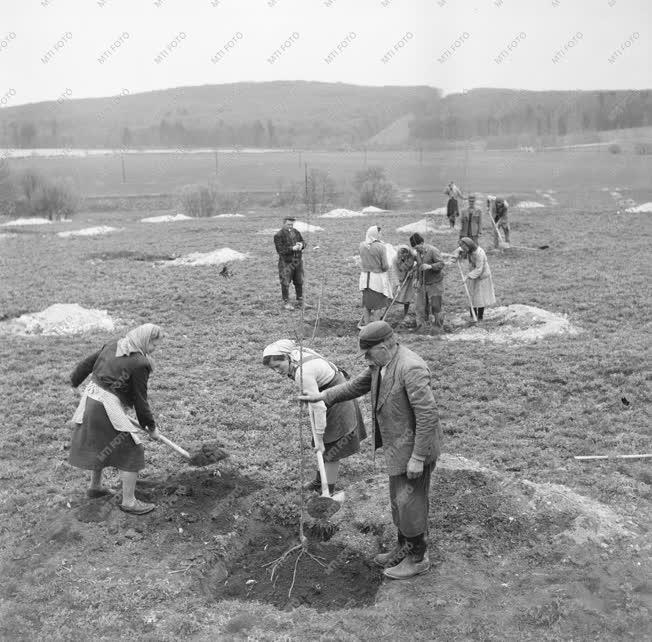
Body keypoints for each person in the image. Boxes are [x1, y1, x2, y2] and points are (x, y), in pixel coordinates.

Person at [298, 321, 442, 580]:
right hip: (398, 446)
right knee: (399, 503)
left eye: (369, 352)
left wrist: (418, 457)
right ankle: (402, 548)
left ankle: (418, 558)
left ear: (386, 345)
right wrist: (322, 397)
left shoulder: (411, 368)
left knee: (411, 504)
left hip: (414, 448)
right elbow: (356, 385)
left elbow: (427, 415)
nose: (366, 359)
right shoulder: (382, 363)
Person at [68, 323, 162, 515]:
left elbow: (87, 364)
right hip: (104, 407)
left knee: (99, 444)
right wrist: (151, 427)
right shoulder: (140, 364)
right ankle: (129, 502)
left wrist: (75, 382)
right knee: (132, 450)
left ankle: (95, 488)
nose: (154, 349)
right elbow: (140, 400)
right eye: (154, 344)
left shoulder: (114, 344)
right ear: (144, 340)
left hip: (91, 398)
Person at [262, 340, 366, 493]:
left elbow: (319, 408)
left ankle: (328, 491)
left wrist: (318, 438)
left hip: (337, 400)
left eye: (278, 366)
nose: (277, 371)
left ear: (287, 357)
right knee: (327, 448)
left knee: (331, 449)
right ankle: (320, 482)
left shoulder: (303, 373)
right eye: (272, 369)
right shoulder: (297, 353)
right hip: (331, 393)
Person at [409, 233, 446, 334]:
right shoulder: (417, 253)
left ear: (422, 243)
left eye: (418, 247)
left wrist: (430, 266)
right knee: (420, 306)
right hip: (423, 283)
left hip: (435, 283)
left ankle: (438, 327)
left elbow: (441, 264)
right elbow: (419, 267)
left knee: (435, 306)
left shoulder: (433, 250)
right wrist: (416, 278)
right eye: (415, 248)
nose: (417, 250)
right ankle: (421, 327)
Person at [358, 225, 392, 328]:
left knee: (367, 304)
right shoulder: (381, 247)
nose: (381, 235)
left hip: (364, 279)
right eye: (379, 233)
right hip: (376, 280)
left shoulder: (362, 245)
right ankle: (375, 329)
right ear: (375, 235)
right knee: (378, 306)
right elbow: (385, 266)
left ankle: (367, 327)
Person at [458, 236, 496, 321]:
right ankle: (473, 316)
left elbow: (479, 269)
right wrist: (457, 254)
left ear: (469, 246)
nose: (464, 250)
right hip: (473, 274)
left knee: (480, 297)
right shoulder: (469, 251)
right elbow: (459, 252)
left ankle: (480, 317)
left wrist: (468, 276)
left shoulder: (479, 253)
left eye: (465, 248)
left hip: (482, 276)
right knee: (472, 295)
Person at [273, 216, 306, 311]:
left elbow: (303, 242)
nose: (290, 226)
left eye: (292, 224)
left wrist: (301, 245)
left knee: (299, 281)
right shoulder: (278, 235)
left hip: (298, 261)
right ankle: (286, 303)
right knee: (285, 282)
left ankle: (300, 301)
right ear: (283, 224)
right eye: (288, 224)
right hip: (286, 263)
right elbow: (280, 250)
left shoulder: (296, 232)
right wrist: (292, 248)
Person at [392, 245, 417, 325]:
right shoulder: (395, 259)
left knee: (407, 296)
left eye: (406, 254)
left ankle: (406, 314)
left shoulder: (412, 255)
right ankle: (386, 312)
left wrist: (413, 270)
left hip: (409, 277)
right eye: (402, 255)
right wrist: (398, 284)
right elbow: (395, 273)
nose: (404, 256)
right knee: (393, 295)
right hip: (399, 276)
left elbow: (419, 263)